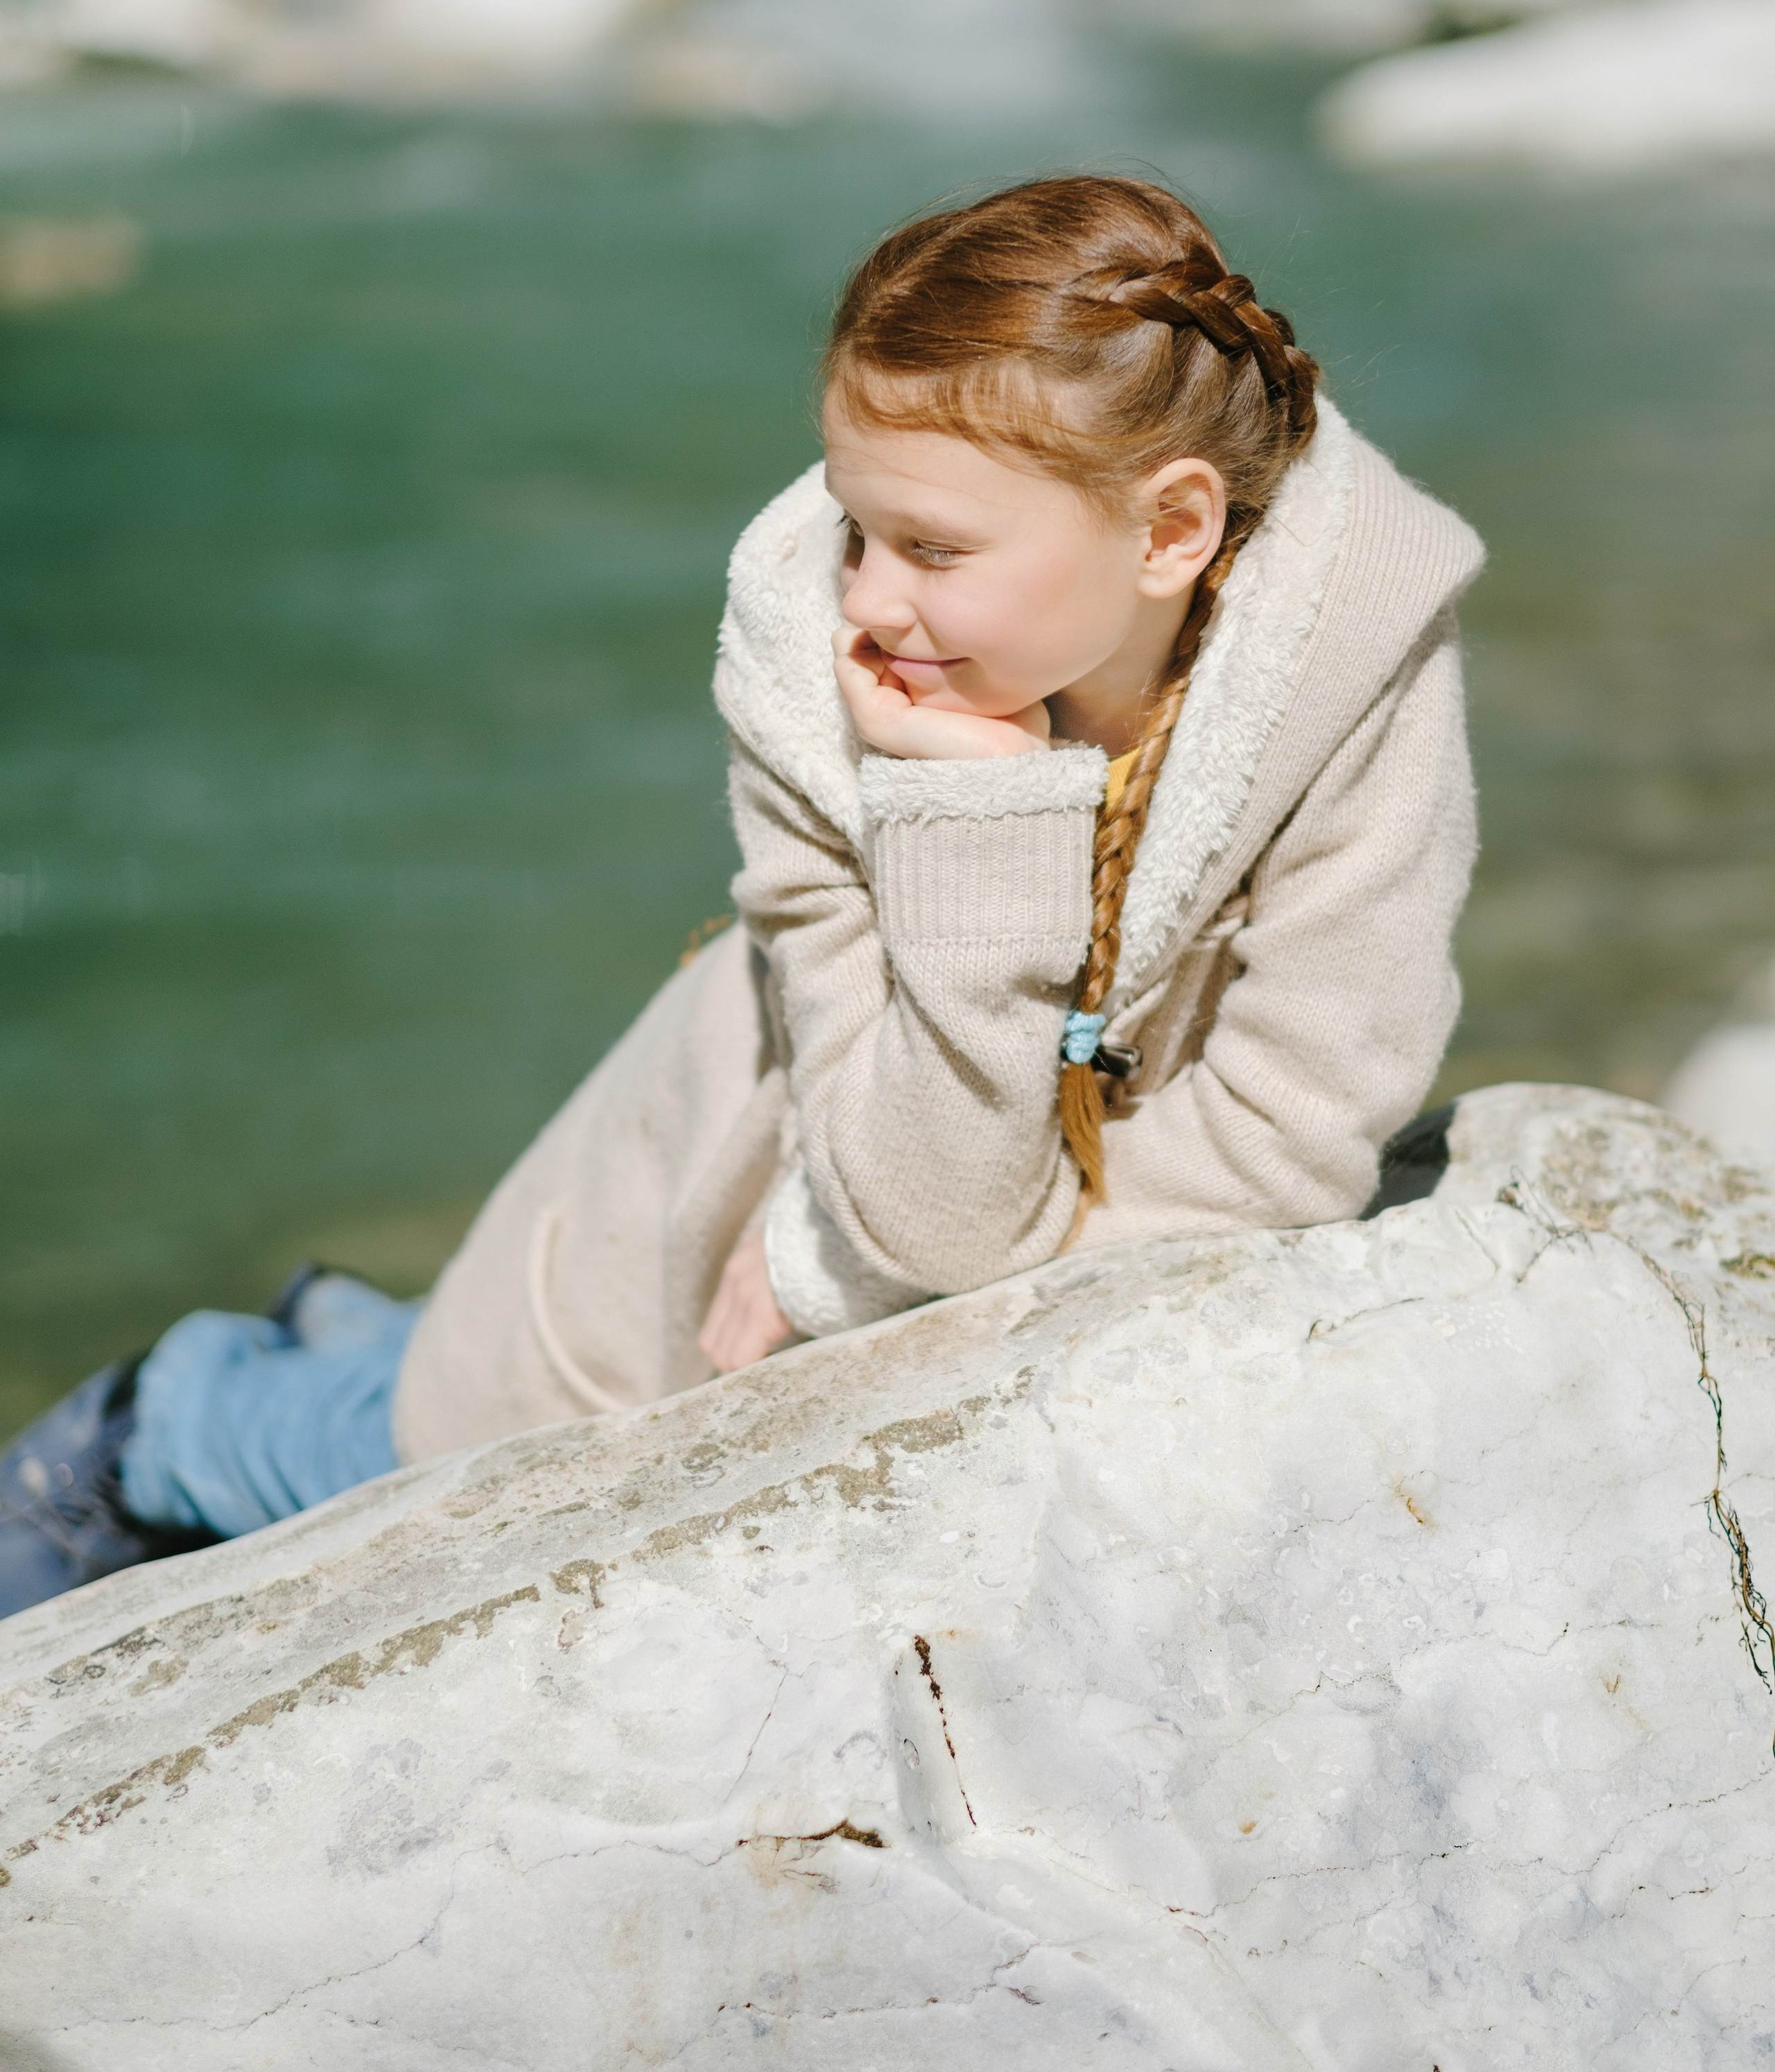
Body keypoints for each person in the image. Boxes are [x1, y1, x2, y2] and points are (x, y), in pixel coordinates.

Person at [0, 175, 1482, 1616]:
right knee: (430, 1473)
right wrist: (971, 812)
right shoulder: (815, 671)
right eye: (857, 527)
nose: (867, 600)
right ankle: (162, 1420)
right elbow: (931, 1218)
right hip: (728, 1192)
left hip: (848, 1248)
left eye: (933, 549)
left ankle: (339, 1329)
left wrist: (854, 1291)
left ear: (1170, 532)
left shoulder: (1354, 678)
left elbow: (1283, 1154)